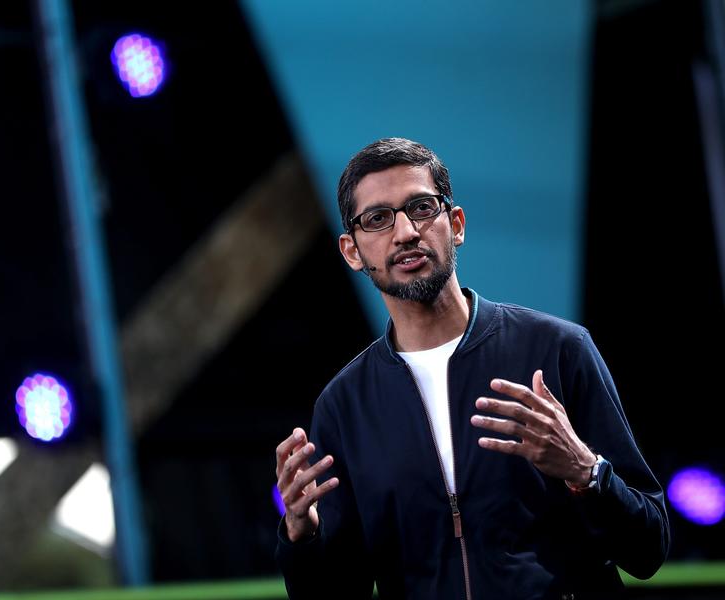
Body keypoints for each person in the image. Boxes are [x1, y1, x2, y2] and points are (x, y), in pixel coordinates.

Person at [274, 137, 669, 599]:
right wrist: (302, 536)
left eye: (421, 208)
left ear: (455, 224)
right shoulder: (344, 406)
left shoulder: (558, 349)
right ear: (352, 251)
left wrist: (587, 472)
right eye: (377, 219)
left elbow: (648, 550)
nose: (405, 233)